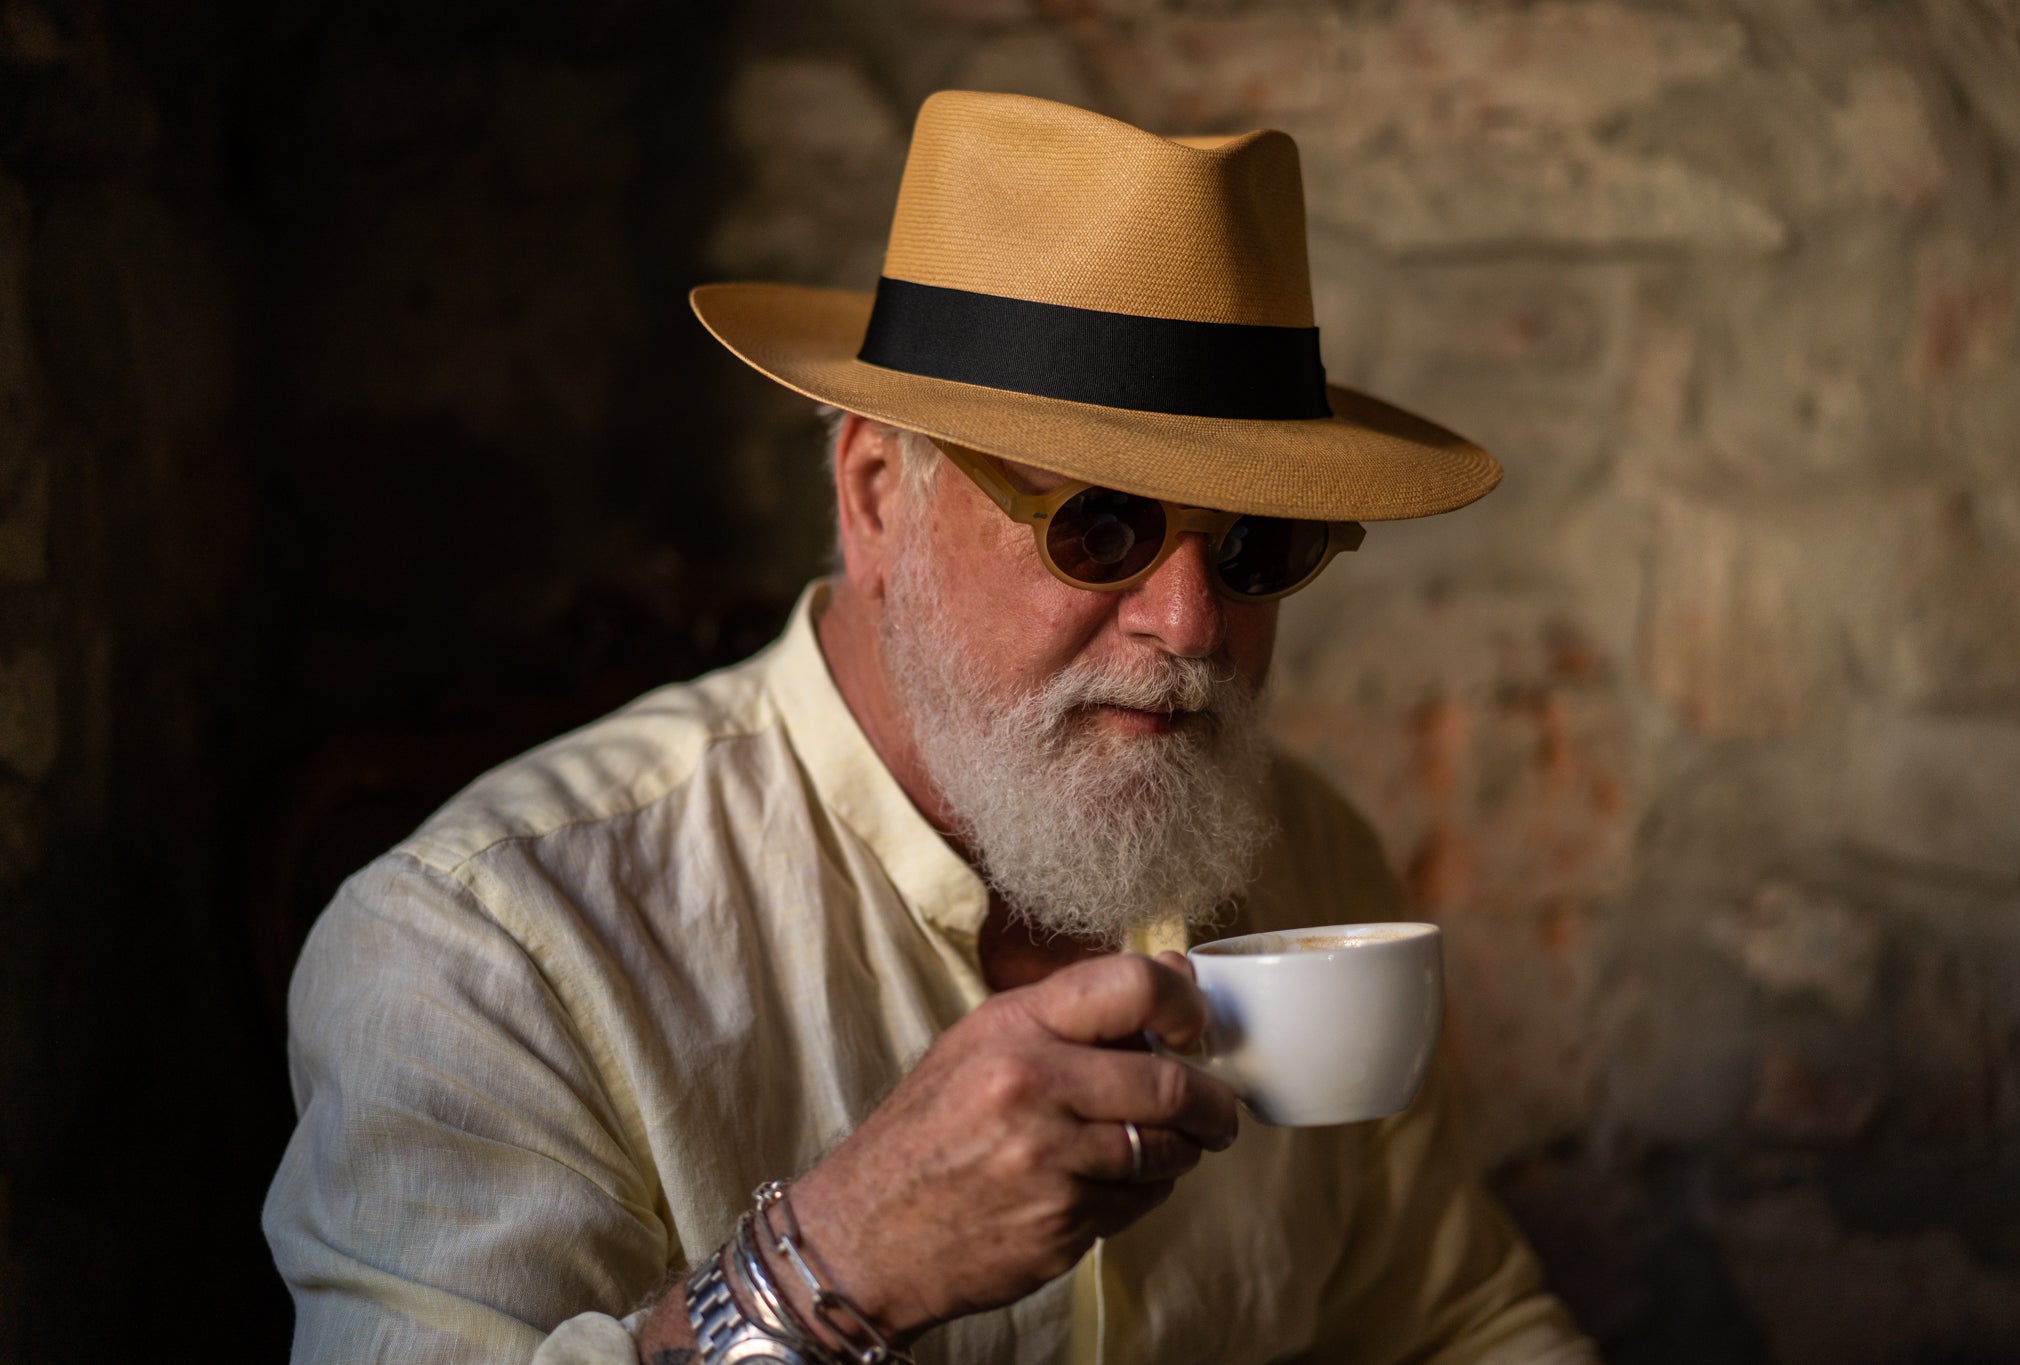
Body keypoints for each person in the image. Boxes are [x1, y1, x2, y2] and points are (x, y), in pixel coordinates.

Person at [263, 91, 1597, 1365]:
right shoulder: (489, 951)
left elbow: (1453, 1323)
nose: (1190, 623)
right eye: (1105, 524)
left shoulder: (1304, 855)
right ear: (874, 497)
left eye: (1256, 543)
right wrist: (835, 1263)